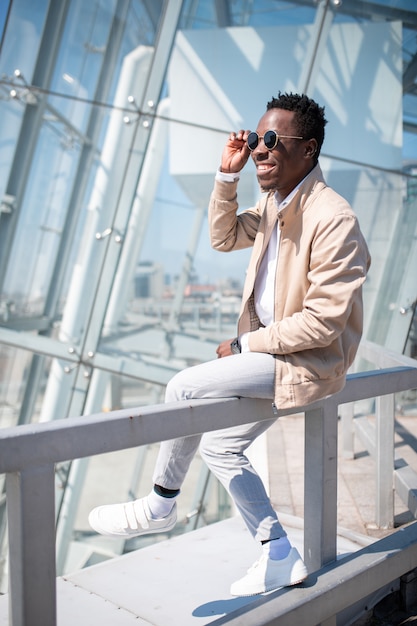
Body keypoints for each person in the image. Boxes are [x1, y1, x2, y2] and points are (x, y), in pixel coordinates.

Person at [89, 92, 371, 597]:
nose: (260, 150)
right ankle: (278, 553)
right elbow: (222, 237)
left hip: (303, 363)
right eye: (256, 139)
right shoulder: (273, 205)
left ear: (307, 150)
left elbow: (323, 324)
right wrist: (226, 175)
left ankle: (159, 503)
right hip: (272, 353)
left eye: (272, 141)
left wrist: (246, 345)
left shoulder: (334, 218)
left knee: (184, 388)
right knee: (221, 446)